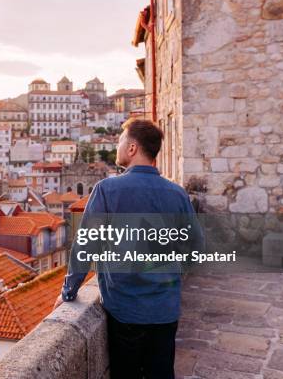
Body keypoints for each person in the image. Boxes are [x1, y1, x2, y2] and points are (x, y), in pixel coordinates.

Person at [54, 118, 204, 379]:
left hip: (125, 309)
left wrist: (68, 292)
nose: (117, 146)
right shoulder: (178, 194)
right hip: (164, 309)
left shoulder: (107, 190)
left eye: (121, 140)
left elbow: (85, 246)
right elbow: (196, 248)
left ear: (133, 148)